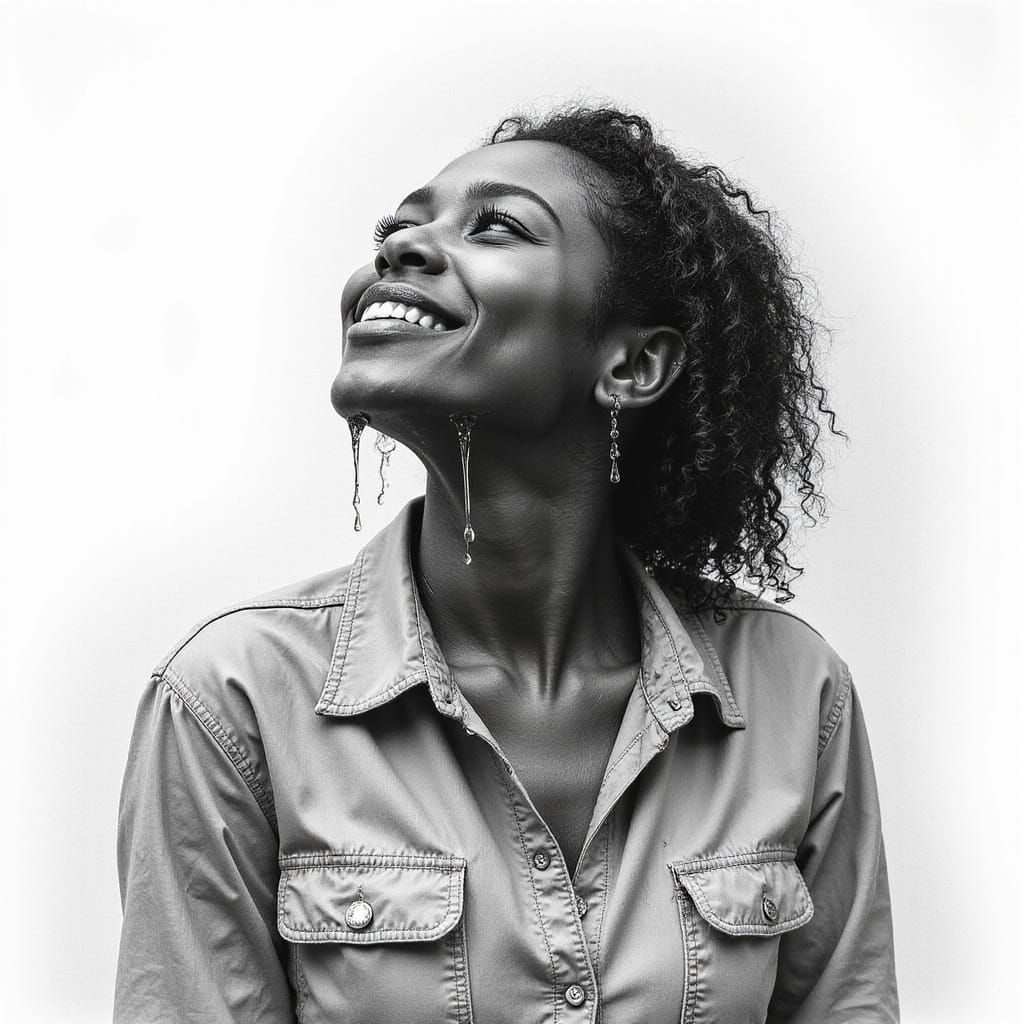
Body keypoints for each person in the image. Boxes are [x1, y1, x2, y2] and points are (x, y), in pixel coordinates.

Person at [115, 105, 898, 1023]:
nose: (402, 248)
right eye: (396, 228)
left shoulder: (793, 693)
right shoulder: (232, 697)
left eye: (497, 226)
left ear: (634, 366)